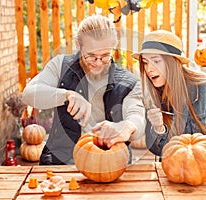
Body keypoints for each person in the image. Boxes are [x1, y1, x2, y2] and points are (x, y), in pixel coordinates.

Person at [22, 14, 146, 165]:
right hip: (62, 161)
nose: (98, 63)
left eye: (105, 56)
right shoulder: (60, 66)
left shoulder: (129, 81)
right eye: (91, 56)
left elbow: (137, 115)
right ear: (79, 46)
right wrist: (67, 95)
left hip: (111, 162)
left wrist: (127, 127)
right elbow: (28, 95)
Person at [132, 30, 206, 162]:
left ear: (173, 62)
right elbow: (158, 150)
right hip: (179, 170)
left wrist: (201, 157)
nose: (149, 69)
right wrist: (158, 128)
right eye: (146, 62)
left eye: (156, 61)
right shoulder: (151, 95)